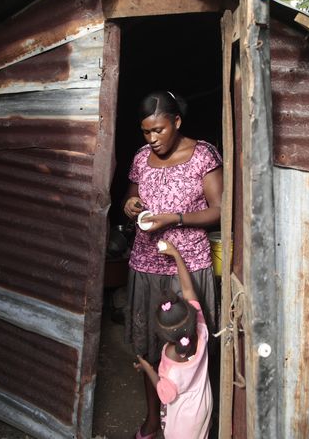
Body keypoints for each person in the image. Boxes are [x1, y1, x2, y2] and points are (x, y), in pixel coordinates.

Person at [123, 91, 222, 439]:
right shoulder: (140, 157)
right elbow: (130, 198)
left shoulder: (202, 156)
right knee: (150, 348)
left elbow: (219, 210)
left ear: (176, 122)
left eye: (159, 131)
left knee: (190, 348)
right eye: (146, 132)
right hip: (146, 264)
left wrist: (174, 219)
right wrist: (132, 205)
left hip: (189, 265)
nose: (152, 139)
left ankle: (196, 422)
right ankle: (154, 421)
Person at [135, 240, 212, 439]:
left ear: (163, 335)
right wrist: (177, 255)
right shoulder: (201, 328)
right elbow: (188, 291)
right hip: (203, 408)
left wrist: (147, 367)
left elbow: (164, 392)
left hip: (181, 425)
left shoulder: (170, 358)